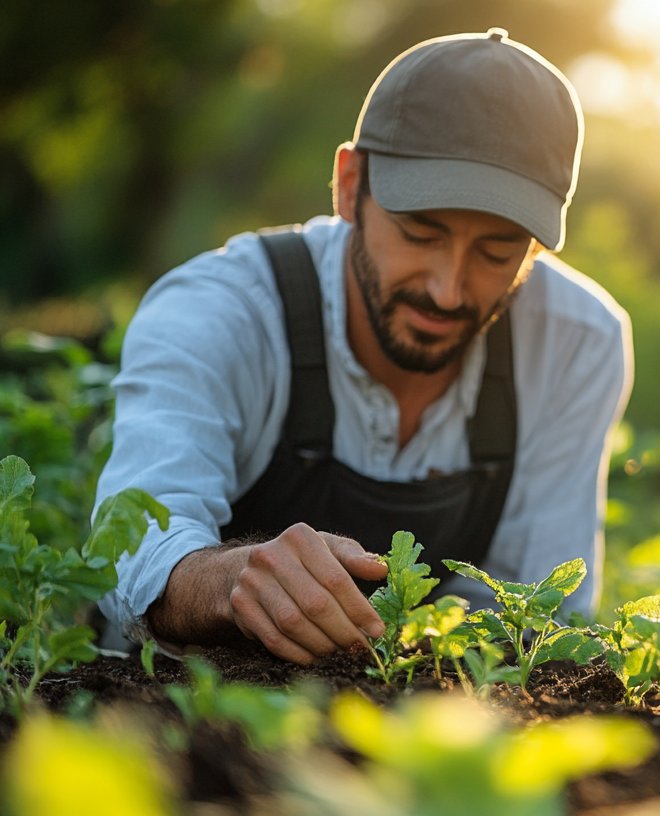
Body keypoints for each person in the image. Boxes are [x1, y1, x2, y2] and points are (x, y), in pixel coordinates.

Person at [96, 30, 632, 666]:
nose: (448, 288)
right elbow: (132, 559)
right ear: (350, 185)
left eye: (497, 252)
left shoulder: (576, 342)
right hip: (178, 711)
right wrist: (237, 580)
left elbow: (539, 613)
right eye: (419, 233)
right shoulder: (222, 311)